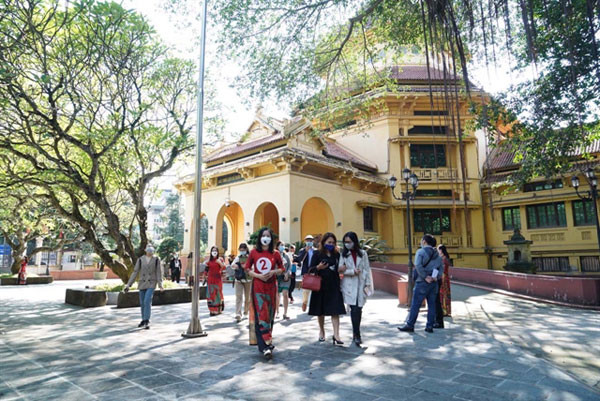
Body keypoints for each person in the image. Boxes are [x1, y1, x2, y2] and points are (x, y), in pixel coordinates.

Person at [245, 227, 283, 360]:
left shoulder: (276, 253)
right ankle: (265, 345)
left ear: (271, 238)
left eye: (268, 235)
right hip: (258, 288)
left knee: (270, 315)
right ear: (260, 238)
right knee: (261, 314)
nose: (265, 238)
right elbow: (247, 268)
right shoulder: (254, 252)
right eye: (263, 235)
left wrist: (273, 272)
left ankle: (268, 341)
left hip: (271, 287)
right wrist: (258, 276)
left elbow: (282, 268)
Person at [398, 234, 442, 333]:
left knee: (415, 304)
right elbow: (441, 270)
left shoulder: (420, 252)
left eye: (422, 241)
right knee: (432, 305)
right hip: (434, 284)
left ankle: (410, 325)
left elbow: (417, 265)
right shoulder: (438, 256)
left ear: (424, 242)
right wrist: (435, 278)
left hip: (422, 282)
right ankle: (429, 326)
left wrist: (425, 277)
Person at [308, 232, 346, 345]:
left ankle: (336, 335)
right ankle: (322, 331)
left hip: (334, 285)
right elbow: (310, 270)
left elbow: (339, 267)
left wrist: (342, 269)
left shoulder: (337, 255)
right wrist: (318, 267)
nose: (331, 244)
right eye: (329, 242)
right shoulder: (317, 254)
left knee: (336, 310)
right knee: (320, 311)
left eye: (333, 242)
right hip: (320, 286)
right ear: (323, 242)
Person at [339, 231, 373, 347]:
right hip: (349, 284)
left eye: (349, 241)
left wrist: (367, 284)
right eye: (345, 242)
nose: (347, 244)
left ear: (354, 241)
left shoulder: (363, 253)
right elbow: (340, 270)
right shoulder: (343, 254)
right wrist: (352, 272)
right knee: (354, 309)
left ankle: (356, 333)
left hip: (361, 284)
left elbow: (367, 269)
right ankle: (357, 334)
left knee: (359, 309)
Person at [124, 246, 164, 329]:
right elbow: (135, 272)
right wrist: (128, 284)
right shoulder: (140, 259)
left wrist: (160, 284)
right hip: (142, 283)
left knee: (147, 300)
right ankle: (143, 319)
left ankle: (147, 320)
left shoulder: (156, 260)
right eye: (148, 251)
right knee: (142, 302)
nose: (150, 253)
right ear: (145, 251)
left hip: (151, 283)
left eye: (151, 251)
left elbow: (158, 272)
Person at [295, 234, 317, 312]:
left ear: (313, 241)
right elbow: (299, 259)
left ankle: (314, 306)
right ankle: (304, 302)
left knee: (315, 289)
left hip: (314, 272)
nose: (309, 242)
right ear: (305, 241)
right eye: (307, 240)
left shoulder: (315, 251)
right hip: (306, 272)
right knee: (305, 289)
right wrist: (305, 251)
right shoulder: (302, 250)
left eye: (310, 240)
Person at [232, 243, 251, 322]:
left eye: (243, 250)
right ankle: (238, 313)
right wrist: (236, 266)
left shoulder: (250, 257)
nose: (242, 251)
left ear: (246, 250)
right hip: (239, 279)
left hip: (248, 280)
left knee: (247, 297)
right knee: (239, 296)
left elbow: (253, 267)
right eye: (240, 250)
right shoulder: (238, 257)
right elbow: (232, 265)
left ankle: (246, 312)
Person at [205, 246, 226, 316]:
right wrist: (205, 276)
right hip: (210, 280)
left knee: (218, 294)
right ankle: (212, 310)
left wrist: (219, 263)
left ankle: (218, 310)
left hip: (218, 279)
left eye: (215, 250)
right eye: (213, 250)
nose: (214, 252)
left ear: (217, 252)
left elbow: (224, 267)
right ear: (211, 252)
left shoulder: (220, 259)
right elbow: (206, 270)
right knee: (211, 295)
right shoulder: (209, 260)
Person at [434, 244, 452, 328]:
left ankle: (444, 310)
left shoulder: (443, 259)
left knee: (443, 294)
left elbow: (443, 270)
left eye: (438, 249)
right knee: (444, 294)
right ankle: (445, 310)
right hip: (445, 278)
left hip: (443, 278)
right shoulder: (444, 259)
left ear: (441, 250)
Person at [275, 240, 291, 320]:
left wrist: (287, 273)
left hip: (285, 278)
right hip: (277, 277)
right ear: (277, 246)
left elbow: (290, 266)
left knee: (285, 293)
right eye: (281, 245)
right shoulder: (274, 255)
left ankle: (285, 313)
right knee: (277, 295)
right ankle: (277, 312)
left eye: (283, 245)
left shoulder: (286, 256)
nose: (282, 247)